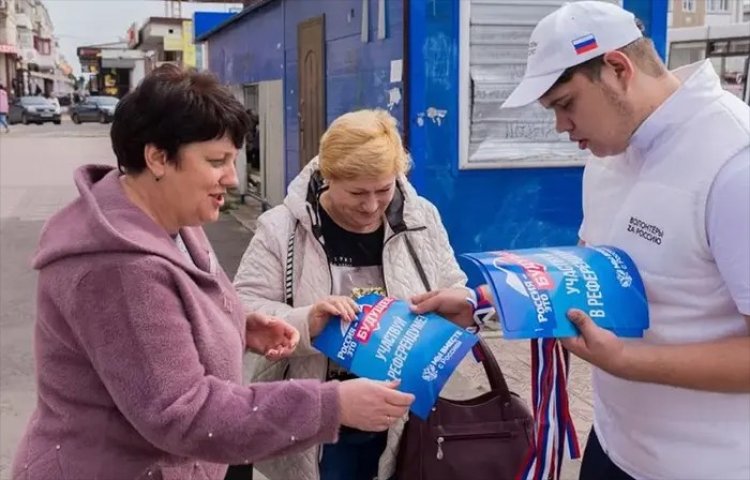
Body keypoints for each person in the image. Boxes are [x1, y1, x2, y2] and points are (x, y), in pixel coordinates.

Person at [11, 65, 414, 480]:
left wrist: (239, 325)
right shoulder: (120, 268)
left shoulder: (174, 222)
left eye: (233, 160)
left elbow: (169, 326)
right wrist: (333, 405)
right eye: (216, 161)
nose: (233, 177)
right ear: (158, 157)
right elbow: (182, 413)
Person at [411, 2, 750, 479]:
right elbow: (589, 279)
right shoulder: (609, 156)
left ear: (617, 68)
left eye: (566, 104)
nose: (560, 127)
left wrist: (629, 361)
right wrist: (486, 302)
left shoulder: (734, 163)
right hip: (612, 448)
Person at [233, 109, 471, 480]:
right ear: (329, 177)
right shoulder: (283, 229)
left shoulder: (421, 218)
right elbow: (240, 308)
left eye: (384, 189)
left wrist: (462, 305)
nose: (372, 206)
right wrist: (306, 320)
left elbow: (453, 285)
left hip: (403, 417)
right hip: (320, 421)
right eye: (358, 192)